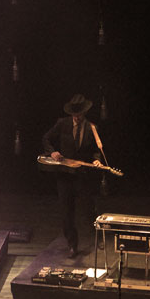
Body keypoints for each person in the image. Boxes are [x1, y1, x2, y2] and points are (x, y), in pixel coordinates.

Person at [41, 94, 106, 256]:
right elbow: (46, 139)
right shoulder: (62, 124)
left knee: (89, 210)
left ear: (84, 113)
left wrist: (97, 160)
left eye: (79, 114)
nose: (77, 117)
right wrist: (53, 152)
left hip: (83, 176)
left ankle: (98, 239)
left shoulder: (92, 128)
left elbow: (96, 151)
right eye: (74, 114)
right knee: (66, 213)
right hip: (65, 176)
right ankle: (72, 245)